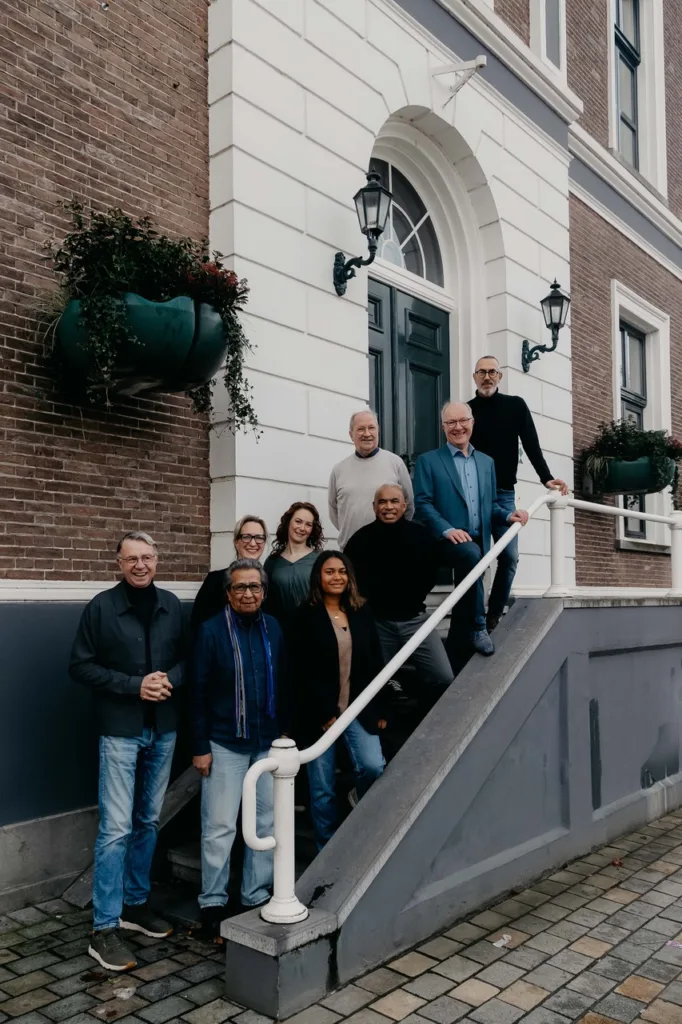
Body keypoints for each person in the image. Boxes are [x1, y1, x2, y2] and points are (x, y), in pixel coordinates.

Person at [70, 531, 187, 972]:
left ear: (157, 560)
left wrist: (168, 679)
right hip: (120, 730)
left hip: (164, 729)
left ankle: (134, 904)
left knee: (148, 820)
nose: (140, 565)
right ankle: (103, 928)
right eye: (131, 558)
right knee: (116, 828)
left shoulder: (171, 605)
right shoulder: (101, 607)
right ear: (118, 563)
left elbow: (189, 659)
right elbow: (80, 666)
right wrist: (135, 686)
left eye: (147, 557)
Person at [191, 559, 287, 936]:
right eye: (240, 587)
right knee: (219, 825)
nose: (248, 594)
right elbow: (197, 692)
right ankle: (213, 901)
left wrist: (284, 735)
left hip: (267, 742)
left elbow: (283, 680)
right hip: (224, 743)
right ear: (228, 593)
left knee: (266, 820)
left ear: (264, 591)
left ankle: (254, 893)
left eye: (255, 586)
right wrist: (200, 746)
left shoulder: (273, 627)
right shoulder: (211, 631)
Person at [414, 402, 528, 659]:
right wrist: (447, 529)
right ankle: (479, 626)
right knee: (470, 556)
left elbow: (490, 505)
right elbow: (422, 503)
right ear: (443, 427)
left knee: (468, 583)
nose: (458, 427)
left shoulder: (487, 463)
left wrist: (508, 515)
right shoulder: (428, 461)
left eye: (463, 421)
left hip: (477, 540)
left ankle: (456, 651)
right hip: (445, 540)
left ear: (472, 423)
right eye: (451, 422)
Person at [288, 551, 386, 849]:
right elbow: (300, 671)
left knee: (373, 766)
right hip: (319, 715)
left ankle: (359, 811)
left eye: (342, 571)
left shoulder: (361, 611)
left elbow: (376, 663)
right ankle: (326, 848)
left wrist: (381, 709)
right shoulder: (303, 615)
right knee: (322, 788)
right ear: (318, 577)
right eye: (329, 571)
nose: (337, 577)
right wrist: (323, 713)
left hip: (358, 708)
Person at [469, 356, 568, 631]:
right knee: (474, 558)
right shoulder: (467, 411)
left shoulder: (515, 406)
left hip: (503, 494)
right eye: (481, 372)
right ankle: (474, 619)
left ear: (500, 376)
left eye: (492, 372)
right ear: (474, 376)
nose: (487, 377)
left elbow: (531, 444)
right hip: (472, 494)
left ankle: (493, 615)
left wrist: (546, 478)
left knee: (509, 557)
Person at [345, 484, 452, 699]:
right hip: (378, 623)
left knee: (444, 677)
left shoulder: (421, 536)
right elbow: (352, 583)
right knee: (372, 684)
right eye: (382, 502)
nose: (388, 507)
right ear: (374, 506)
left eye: (394, 501)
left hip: (416, 621)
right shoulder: (359, 540)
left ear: (404, 505)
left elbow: (432, 572)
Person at [328, 409, 414, 549]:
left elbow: (408, 506)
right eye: (361, 429)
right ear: (351, 434)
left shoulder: (395, 463)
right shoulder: (339, 470)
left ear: (378, 431)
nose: (367, 434)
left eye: (371, 428)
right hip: (351, 550)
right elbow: (334, 511)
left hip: (389, 547)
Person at [191, 515, 268, 629]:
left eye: (259, 537)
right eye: (246, 537)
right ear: (236, 542)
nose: (253, 543)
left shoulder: (271, 583)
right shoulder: (214, 581)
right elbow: (198, 625)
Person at [263, 502, 324, 628]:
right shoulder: (272, 561)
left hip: (314, 627)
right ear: (288, 522)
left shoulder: (320, 559)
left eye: (308, 524)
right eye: (298, 521)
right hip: (281, 628)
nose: (302, 528)